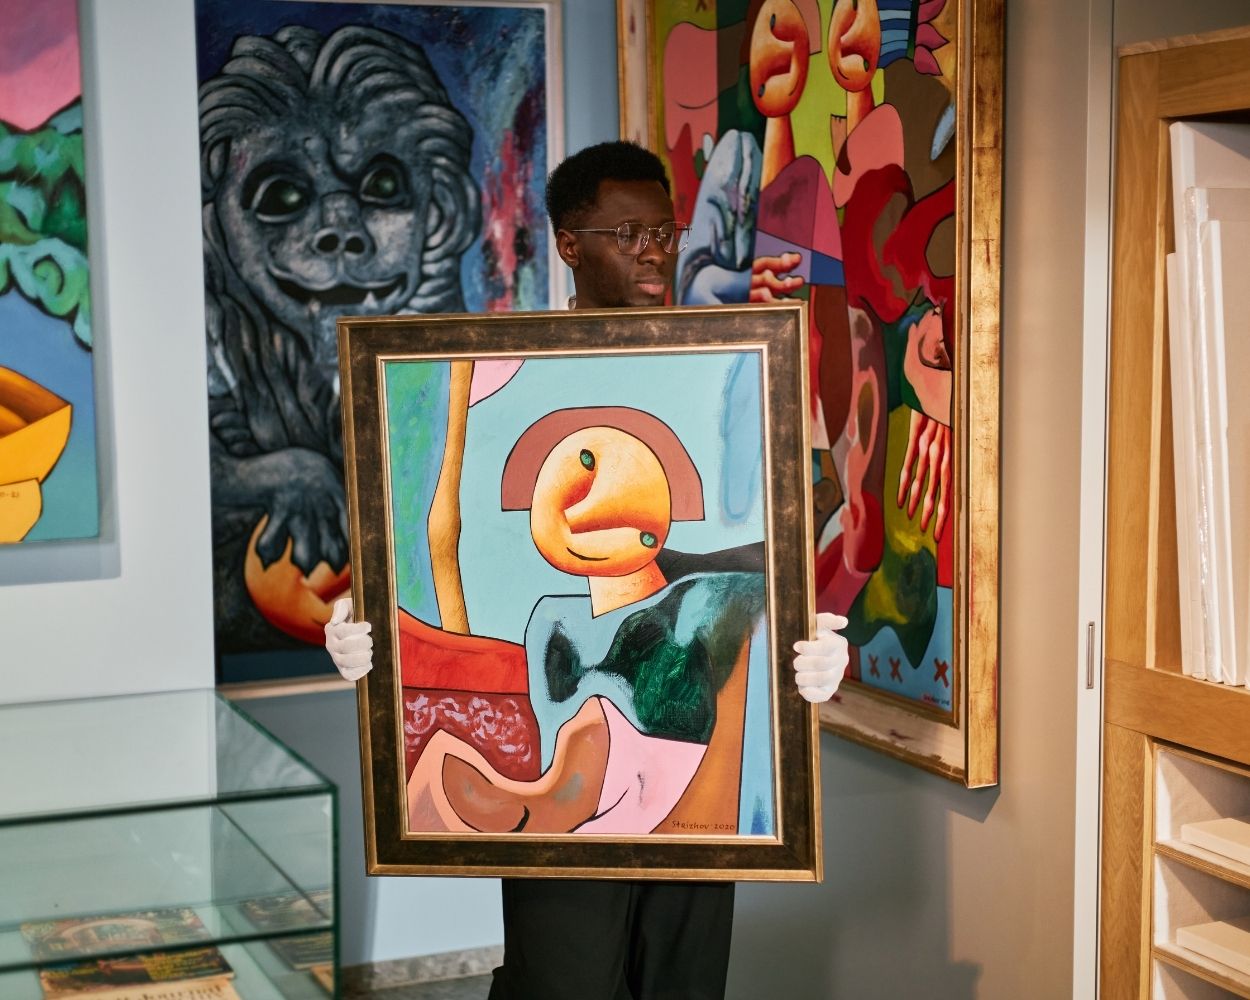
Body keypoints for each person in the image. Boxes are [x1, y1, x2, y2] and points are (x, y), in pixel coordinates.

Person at [325, 140, 850, 1000]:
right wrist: (373, 616)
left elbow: (779, 524)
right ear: (569, 244)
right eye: (628, 234)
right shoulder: (501, 372)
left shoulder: (740, 363)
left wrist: (798, 623)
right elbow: (449, 545)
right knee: (561, 979)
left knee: (683, 983)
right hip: (563, 764)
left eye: (664, 233)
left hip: (695, 751)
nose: (653, 253)